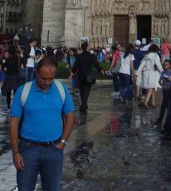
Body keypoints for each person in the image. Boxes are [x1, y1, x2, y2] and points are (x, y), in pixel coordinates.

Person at [9, 56, 75, 191]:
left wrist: (63, 141)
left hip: (54, 150)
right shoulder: (23, 91)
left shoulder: (61, 90)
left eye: (51, 78)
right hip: (28, 150)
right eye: (44, 78)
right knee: (25, 188)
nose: (47, 82)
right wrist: (16, 152)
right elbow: (14, 122)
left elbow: (70, 116)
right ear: (36, 73)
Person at [71, 41, 102, 114]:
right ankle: (83, 106)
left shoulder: (79, 56)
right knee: (86, 92)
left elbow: (75, 66)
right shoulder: (91, 56)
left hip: (81, 76)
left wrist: (72, 73)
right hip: (88, 76)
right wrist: (100, 69)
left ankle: (84, 105)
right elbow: (95, 64)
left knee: (82, 91)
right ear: (87, 47)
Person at [137, 43, 163, 108]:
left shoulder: (146, 56)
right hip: (153, 73)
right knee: (151, 88)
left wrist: (137, 73)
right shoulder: (155, 55)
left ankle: (153, 103)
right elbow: (159, 65)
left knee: (153, 88)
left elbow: (141, 65)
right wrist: (163, 72)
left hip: (146, 73)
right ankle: (145, 102)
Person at [156, 60, 171, 129]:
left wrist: (169, 87)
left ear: (169, 65)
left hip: (170, 91)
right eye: (164, 65)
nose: (165, 66)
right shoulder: (163, 72)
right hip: (164, 91)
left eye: (166, 65)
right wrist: (163, 86)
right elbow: (159, 81)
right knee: (164, 106)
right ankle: (160, 119)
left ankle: (165, 119)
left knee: (167, 106)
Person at [2, 45, 21, 110]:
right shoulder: (16, 59)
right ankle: (15, 106)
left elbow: (4, 69)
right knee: (16, 93)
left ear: (9, 52)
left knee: (9, 93)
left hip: (9, 78)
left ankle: (8, 107)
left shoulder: (8, 60)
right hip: (16, 77)